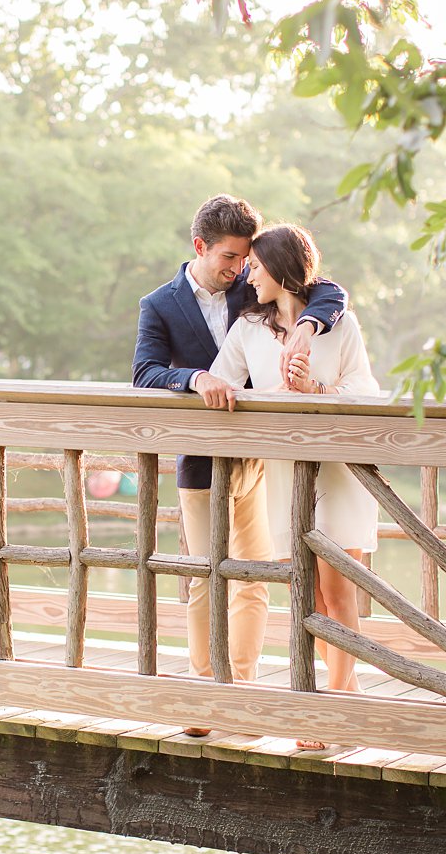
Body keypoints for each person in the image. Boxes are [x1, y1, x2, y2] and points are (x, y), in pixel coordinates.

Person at [132, 195, 347, 736]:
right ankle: (207, 696)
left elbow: (327, 289)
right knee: (206, 578)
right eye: (231, 258)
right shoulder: (159, 304)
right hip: (202, 463)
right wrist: (194, 378)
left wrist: (308, 328)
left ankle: (243, 694)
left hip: (260, 460)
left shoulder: (253, 292)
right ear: (200, 247)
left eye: (247, 259)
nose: (242, 269)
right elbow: (145, 371)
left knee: (254, 579)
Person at [208, 223, 379, 746]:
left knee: (337, 588)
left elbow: (365, 391)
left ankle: (333, 707)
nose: (248, 276)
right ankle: (340, 696)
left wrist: (316, 389)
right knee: (307, 591)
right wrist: (212, 386)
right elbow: (225, 375)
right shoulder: (249, 327)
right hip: (283, 473)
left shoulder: (338, 323)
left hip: (337, 470)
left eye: (256, 267)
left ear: (280, 270)